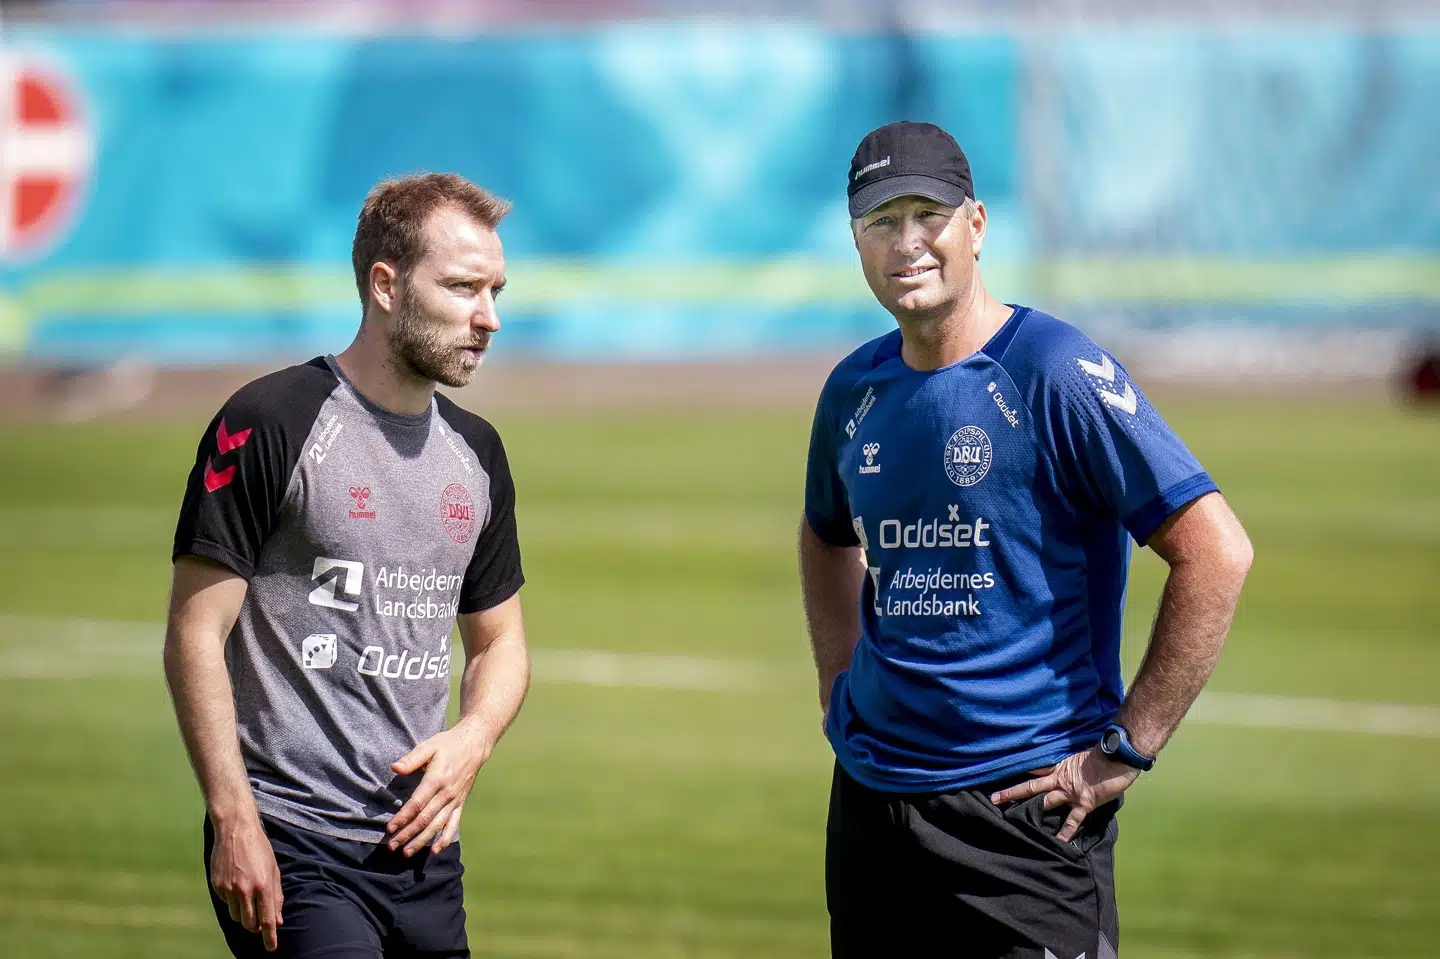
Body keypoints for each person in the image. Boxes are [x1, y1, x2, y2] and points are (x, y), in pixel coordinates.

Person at [800, 122, 1254, 958]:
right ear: (856, 240)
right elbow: (825, 533)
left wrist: (1127, 746)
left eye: (927, 215)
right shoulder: (852, 390)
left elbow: (1217, 551)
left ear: (975, 225)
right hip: (871, 805)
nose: (906, 242)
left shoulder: (1053, 369)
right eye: (881, 221)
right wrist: (837, 681)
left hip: (1024, 814)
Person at [163, 172, 529, 958]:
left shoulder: (478, 453)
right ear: (386, 286)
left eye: (495, 290)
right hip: (291, 842)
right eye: (463, 288)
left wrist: (473, 736)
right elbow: (195, 633)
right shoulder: (269, 421)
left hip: (424, 852)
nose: (489, 318)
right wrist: (233, 819)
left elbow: (501, 643)